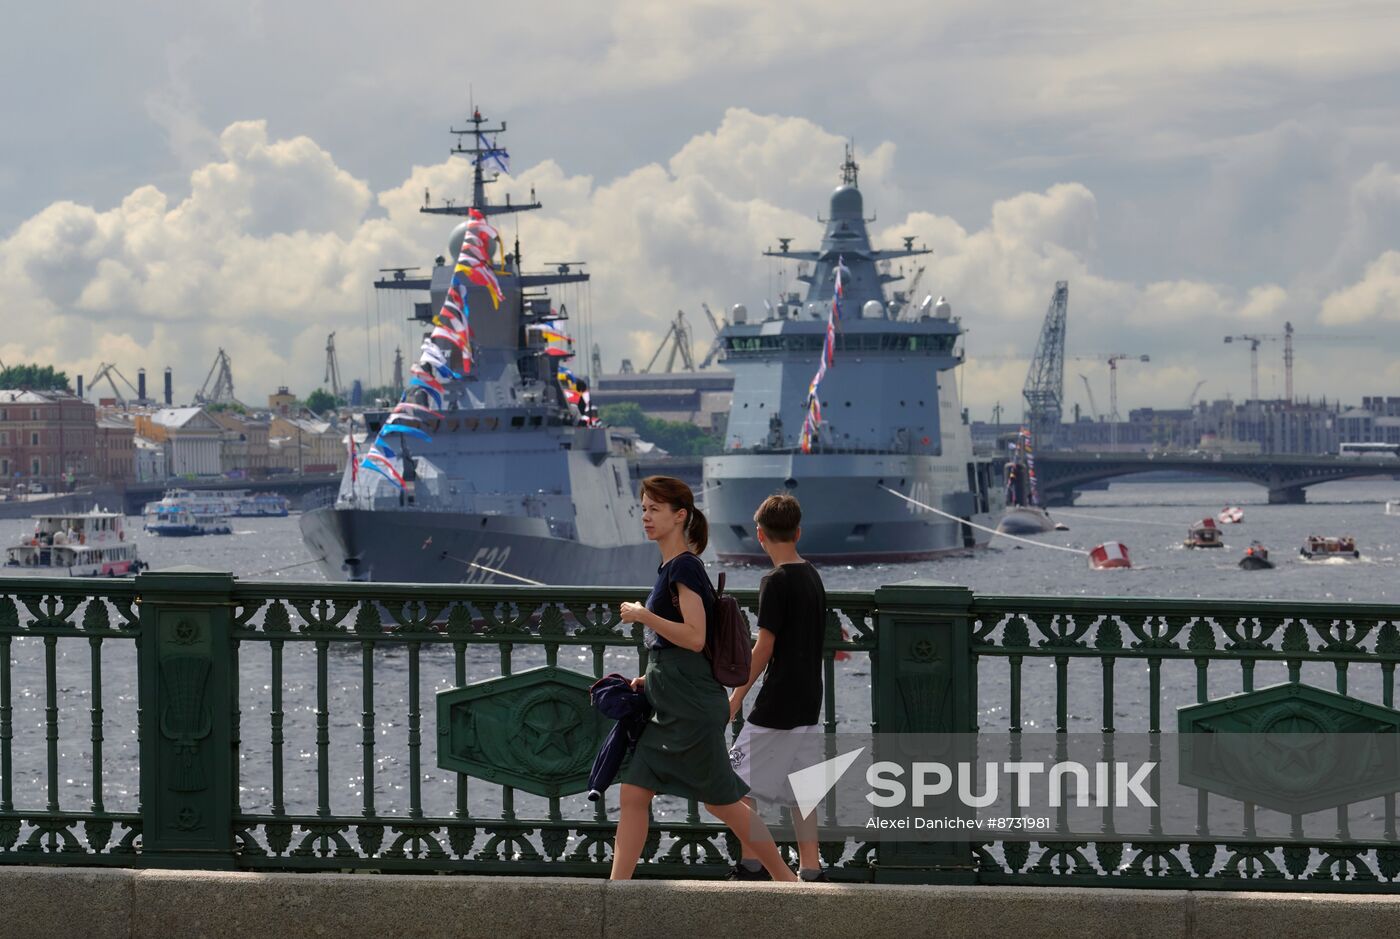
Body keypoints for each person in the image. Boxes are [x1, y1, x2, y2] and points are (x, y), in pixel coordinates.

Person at [611, 476, 797, 882]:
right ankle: (616, 890)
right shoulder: (671, 566)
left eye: (654, 509)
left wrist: (643, 614)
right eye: (643, 508)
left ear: (680, 516)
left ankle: (787, 879)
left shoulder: (684, 567)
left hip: (691, 709)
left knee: (723, 802)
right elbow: (677, 643)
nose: (645, 516)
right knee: (634, 792)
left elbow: (694, 638)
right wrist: (649, 676)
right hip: (672, 701)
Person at [727, 493, 829, 882]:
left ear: (759, 535)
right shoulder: (812, 576)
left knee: (736, 781)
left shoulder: (774, 581)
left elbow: (764, 647)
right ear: (798, 532)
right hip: (808, 698)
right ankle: (811, 867)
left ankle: (753, 863)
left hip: (779, 700)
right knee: (804, 789)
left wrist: (737, 695)